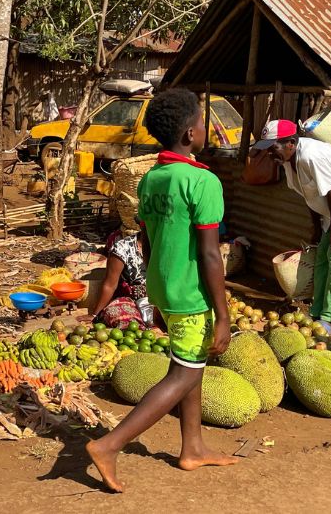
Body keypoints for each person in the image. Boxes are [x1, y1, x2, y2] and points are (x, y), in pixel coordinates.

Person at [87, 88, 236, 493]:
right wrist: (223, 316)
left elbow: (147, 239)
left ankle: (193, 448)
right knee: (183, 373)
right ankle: (109, 444)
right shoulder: (202, 181)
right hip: (191, 294)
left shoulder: (152, 178)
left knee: (192, 367)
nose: (206, 130)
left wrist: (153, 295)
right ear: (190, 134)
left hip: (161, 288)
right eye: (203, 124)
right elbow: (210, 255)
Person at [257, 119, 331, 331]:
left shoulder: (310, 156)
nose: (269, 153)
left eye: (272, 147)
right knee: (322, 254)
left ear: (291, 143)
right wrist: (317, 227)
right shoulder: (287, 161)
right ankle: (317, 311)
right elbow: (309, 196)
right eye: (266, 149)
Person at [85, 227, 153, 328]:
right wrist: (94, 315)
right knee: (125, 321)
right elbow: (109, 285)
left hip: (158, 300)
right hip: (130, 302)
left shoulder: (167, 247)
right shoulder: (122, 248)